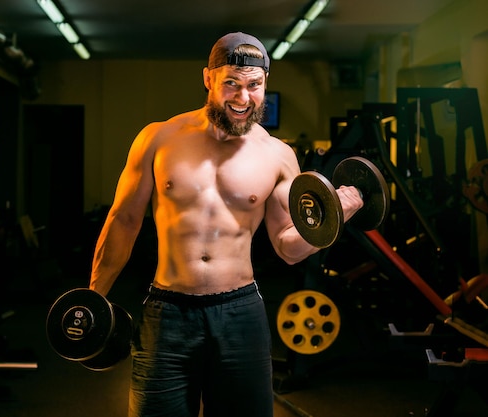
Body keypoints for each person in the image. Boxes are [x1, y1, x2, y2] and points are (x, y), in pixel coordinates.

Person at [89, 32, 364, 417]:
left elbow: (288, 248)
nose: (242, 98)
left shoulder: (277, 155)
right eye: (231, 84)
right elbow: (124, 220)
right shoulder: (158, 138)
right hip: (168, 313)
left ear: (265, 83)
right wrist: (93, 297)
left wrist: (332, 220)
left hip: (240, 314)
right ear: (208, 80)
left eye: (254, 85)